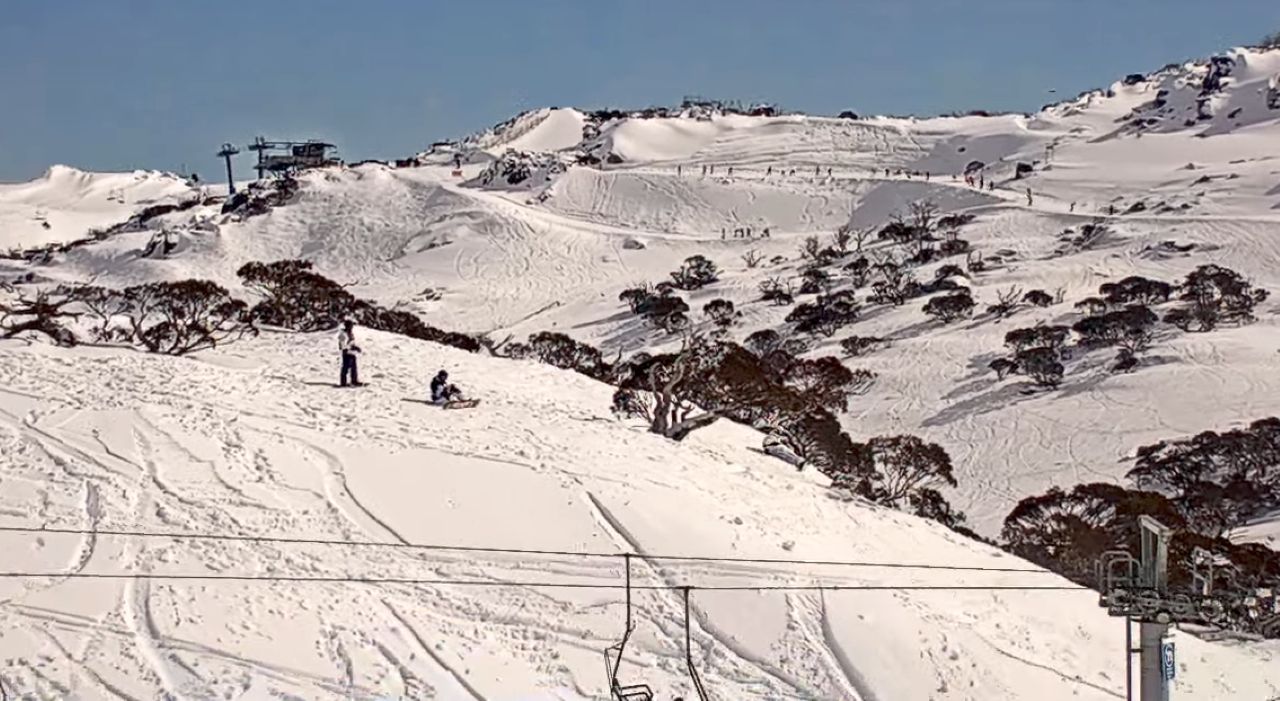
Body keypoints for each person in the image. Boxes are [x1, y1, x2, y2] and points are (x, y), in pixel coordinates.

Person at [338, 320, 361, 387]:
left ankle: (354, 380)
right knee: (346, 367)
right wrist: (349, 348)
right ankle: (343, 382)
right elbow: (342, 345)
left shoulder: (350, 333)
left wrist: (355, 347)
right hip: (347, 353)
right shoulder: (343, 334)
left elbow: (351, 342)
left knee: (354, 367)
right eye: (350, 326)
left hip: (351, 352)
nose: (352, 327)